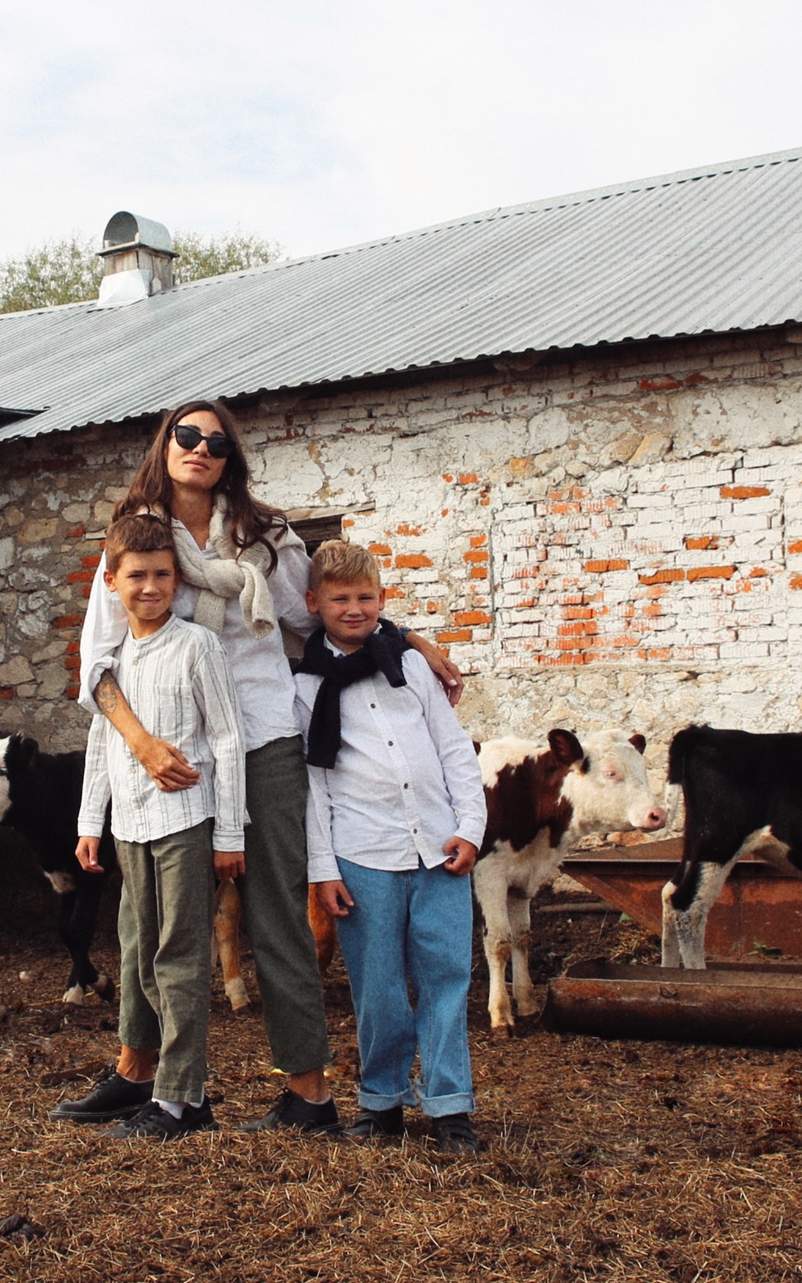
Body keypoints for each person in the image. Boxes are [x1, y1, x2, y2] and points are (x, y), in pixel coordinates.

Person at [76, 399, 464, 1135]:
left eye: (216, 441)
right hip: (170, 757)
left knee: (278, 913)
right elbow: (100, 661)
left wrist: (410, 639)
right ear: (165, 444)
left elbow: (321, 614)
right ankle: (141, 1073)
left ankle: (309, 1092)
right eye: (186, 436)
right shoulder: (136, 542)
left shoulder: (268, 536)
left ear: (231, 457)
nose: (200, 449)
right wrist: (142, 742)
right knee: (149, 917)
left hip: (264, 736)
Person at [52, 512, 248, 1139]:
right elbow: (105, 743)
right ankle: (164, 1086)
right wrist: (90, 822)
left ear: (177, 581)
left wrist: (229, 835)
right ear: (111, 582)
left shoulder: (197, 646)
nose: (150, 587)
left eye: (162, 574)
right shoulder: (114, 665)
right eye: (136, 575)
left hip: (187, 823)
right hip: (130, 828)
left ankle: (180, 1098)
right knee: (137, 959)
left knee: (180, 956)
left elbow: (228, 739)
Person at [293, 539, 489, 1153]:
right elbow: (312, 786)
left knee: (447, 976)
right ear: (314, 603)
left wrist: (471, 828)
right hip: (362, 853)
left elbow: (455, 750)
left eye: (366, 597)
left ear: (383, 600)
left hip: (439, 848)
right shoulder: (303, 687)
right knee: (376, 987)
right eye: (340, 599)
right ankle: (380, 1103)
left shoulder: (411, 667)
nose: (354, 609)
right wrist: (323, 869)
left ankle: (449, 1104)